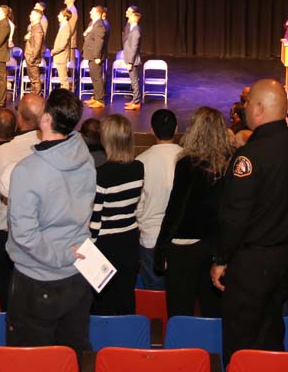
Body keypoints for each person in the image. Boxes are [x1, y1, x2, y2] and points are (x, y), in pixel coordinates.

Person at [212, 78, 288, 362]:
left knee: (241, 342)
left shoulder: (250, 156)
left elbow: (235, 215)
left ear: (258, 108)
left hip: (253, 264)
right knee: (271, 334)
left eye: (247, 103)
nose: (243, 108)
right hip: (286, 259)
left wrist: (221, 259)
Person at [5, 87, 97, 361]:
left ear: (45, 120)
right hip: (78, 274)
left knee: (31, 360)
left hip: (38, 281)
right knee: (71, 356)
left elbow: (25, 236)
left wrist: (60, 256)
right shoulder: (86, 158)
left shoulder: (27, 171)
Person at [155, 107, 233, 317]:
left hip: (184, 247)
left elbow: (175, 209)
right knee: (213, 310)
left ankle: (182, 349)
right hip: (216, 246)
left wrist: (161, 250)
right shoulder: (231, 164)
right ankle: (212, 349)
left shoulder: (187, 164)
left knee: (180, 310)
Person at [0, 94, 45, 309]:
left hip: (4, 238)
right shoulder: (56, 151)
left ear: (20, 119)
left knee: (8, 301)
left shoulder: (3, 153)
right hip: (42, 237)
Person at [89, 114, 145, 315]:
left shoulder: (101, 174)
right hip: (130, 241)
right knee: (125, 297)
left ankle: (103, 344)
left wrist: (89, 249)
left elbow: (96, 220)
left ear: (106, 139)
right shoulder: (139, 168)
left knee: (102, 302)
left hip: (105, 245)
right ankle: (125, 342)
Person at [136, 108, 182, 291]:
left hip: (151, 237)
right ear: (177, 129)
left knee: (153, 298)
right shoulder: (187, 158)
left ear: (152, 131)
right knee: (180, 294)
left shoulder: (142, 161)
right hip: (180, 239)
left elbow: (138, 204)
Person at [83, 5, 109, 108]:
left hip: (95, 56)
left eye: (92, 11)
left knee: (97, 78)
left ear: (97, 13)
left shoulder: (99, 25)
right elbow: (86, 36)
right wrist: (86, 32)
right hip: (90, 54)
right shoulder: (92, 23)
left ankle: (100, 100)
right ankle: (96, 97)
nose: (90, 12)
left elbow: (99, 42)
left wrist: (97, 56)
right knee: (94, 77)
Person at [123, 5, 144, 110]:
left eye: (131, 16)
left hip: (133, 60)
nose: (129, 18)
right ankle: (134, 100)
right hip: (129, 58)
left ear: (135, 18)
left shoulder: (135, 31)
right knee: (133, 80)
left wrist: (130, 62)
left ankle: (136, 102)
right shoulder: (132, 29)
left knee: (134, 81)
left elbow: (134, 48)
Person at [23, 8, 46, 96]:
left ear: (37, 16)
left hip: (32, 58)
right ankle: (32, 99)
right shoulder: (33, 28)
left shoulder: (38, 29)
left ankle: (36, 99)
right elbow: (30, 41)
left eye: (32, 14)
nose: (30, 15)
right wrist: (26, 38)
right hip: (29, 56)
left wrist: (32, 58)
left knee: (35, 80)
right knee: (32, 80)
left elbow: (38, 46)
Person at [52, 9, 73, 91]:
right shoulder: (62, 26)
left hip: (61, 57)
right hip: (59, 56)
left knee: (64, 80)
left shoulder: (66, 28)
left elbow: (62, 45)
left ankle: (65, 98)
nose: (58, 16)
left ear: (65, 17)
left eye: (60, 15)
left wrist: (53, 51)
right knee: (62, 80)